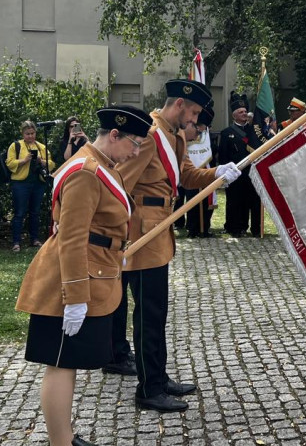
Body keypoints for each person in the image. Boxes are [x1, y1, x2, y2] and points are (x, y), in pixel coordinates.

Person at [15, 105, 152, 446]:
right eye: (134, 144)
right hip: (68, 282)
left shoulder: (104, 165)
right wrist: (75, 297)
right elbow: (73, 237)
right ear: (115, 135)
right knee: (60, 363)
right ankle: (59, 442)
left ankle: (64, 436)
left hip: (92, 271)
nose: (137, 152)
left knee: (68, 362)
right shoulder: (87, 172)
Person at [103, 79, 241, 413]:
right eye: (193, 112)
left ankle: (159, 378)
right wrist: (125, 230)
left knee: (157, 312)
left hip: (159, 231)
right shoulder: (149, 135)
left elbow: (185, 176)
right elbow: (119, 183)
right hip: (144, 235)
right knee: (149, 314)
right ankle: (149, 388)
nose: (194, 121)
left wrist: (218, 173)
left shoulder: (173, 135)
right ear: (179, 104)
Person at [6, 120, 55, 252]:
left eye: (32, 133)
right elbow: (9, 164)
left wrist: (41, 160)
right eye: (27, 134)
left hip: (38, 183)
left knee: (35, 212)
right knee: (19, 213)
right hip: (20, 183)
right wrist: (24, 160)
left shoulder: (41, 147)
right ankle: (16, 242)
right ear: (22, 133)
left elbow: (51, 164)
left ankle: (34, 239)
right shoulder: (15, 146)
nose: (30, 136)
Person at [219, 92, 263, 237]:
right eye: (241, 112)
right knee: (235, 201)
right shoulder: (226, 133)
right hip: (235, 173)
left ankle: (255, 229)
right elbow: (223, 155)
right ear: (234, 115)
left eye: (245, 111)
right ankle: (234, 228)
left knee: (252, 201)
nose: (244, 114)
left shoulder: (254, 132)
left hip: (251, 173)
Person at [185, 101, 218, 238]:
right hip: (191, 170)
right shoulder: (186, 132)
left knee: (206, 202)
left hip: (206, 169)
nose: (203, 129)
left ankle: (205, 228)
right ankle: (193, 229)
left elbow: (213, 151)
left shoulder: (208, 135)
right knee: (192, 201)